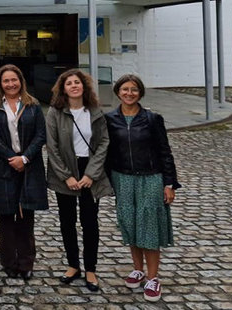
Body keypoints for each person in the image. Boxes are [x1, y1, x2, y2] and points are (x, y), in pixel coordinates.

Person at [105, 74, 180, 303]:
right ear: (118, 92)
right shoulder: (110, 119)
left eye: (134, 89)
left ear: (140, 93)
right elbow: (106, 153)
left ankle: (153, 277)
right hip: (123, 178)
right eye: (125, 89)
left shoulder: (152, 119)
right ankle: (137, 269)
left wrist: (169, 183)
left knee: (149, 227)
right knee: (130, 224)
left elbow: (165, 151)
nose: (129, 93)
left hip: (150, 178)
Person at [45, 68, 112, 292]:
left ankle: (90, 269)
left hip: (89, 172)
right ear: (63, 88)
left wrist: (90, 174)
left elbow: (103, 143)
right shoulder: (55, 112)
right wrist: (66, 176)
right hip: (65, 172)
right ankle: (73, 265)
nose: (74, 86)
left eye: (77, 82)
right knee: (67, 221)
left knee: (90, 222)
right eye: (69, 83)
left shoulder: (95, 111)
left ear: (84, 86)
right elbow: (52, 147)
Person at [0, 64, 47, 282]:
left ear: (21, 81)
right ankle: (9, 261)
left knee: (26, 217)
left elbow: (40, 135)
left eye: (14, 80)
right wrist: (11, 157)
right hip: (3, 166)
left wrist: (25, 158)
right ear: (0, 84)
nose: (10, 84)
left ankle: (26, 262)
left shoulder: (33, 105)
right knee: (6, 218)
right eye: (5, 81)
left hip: (29, 166)